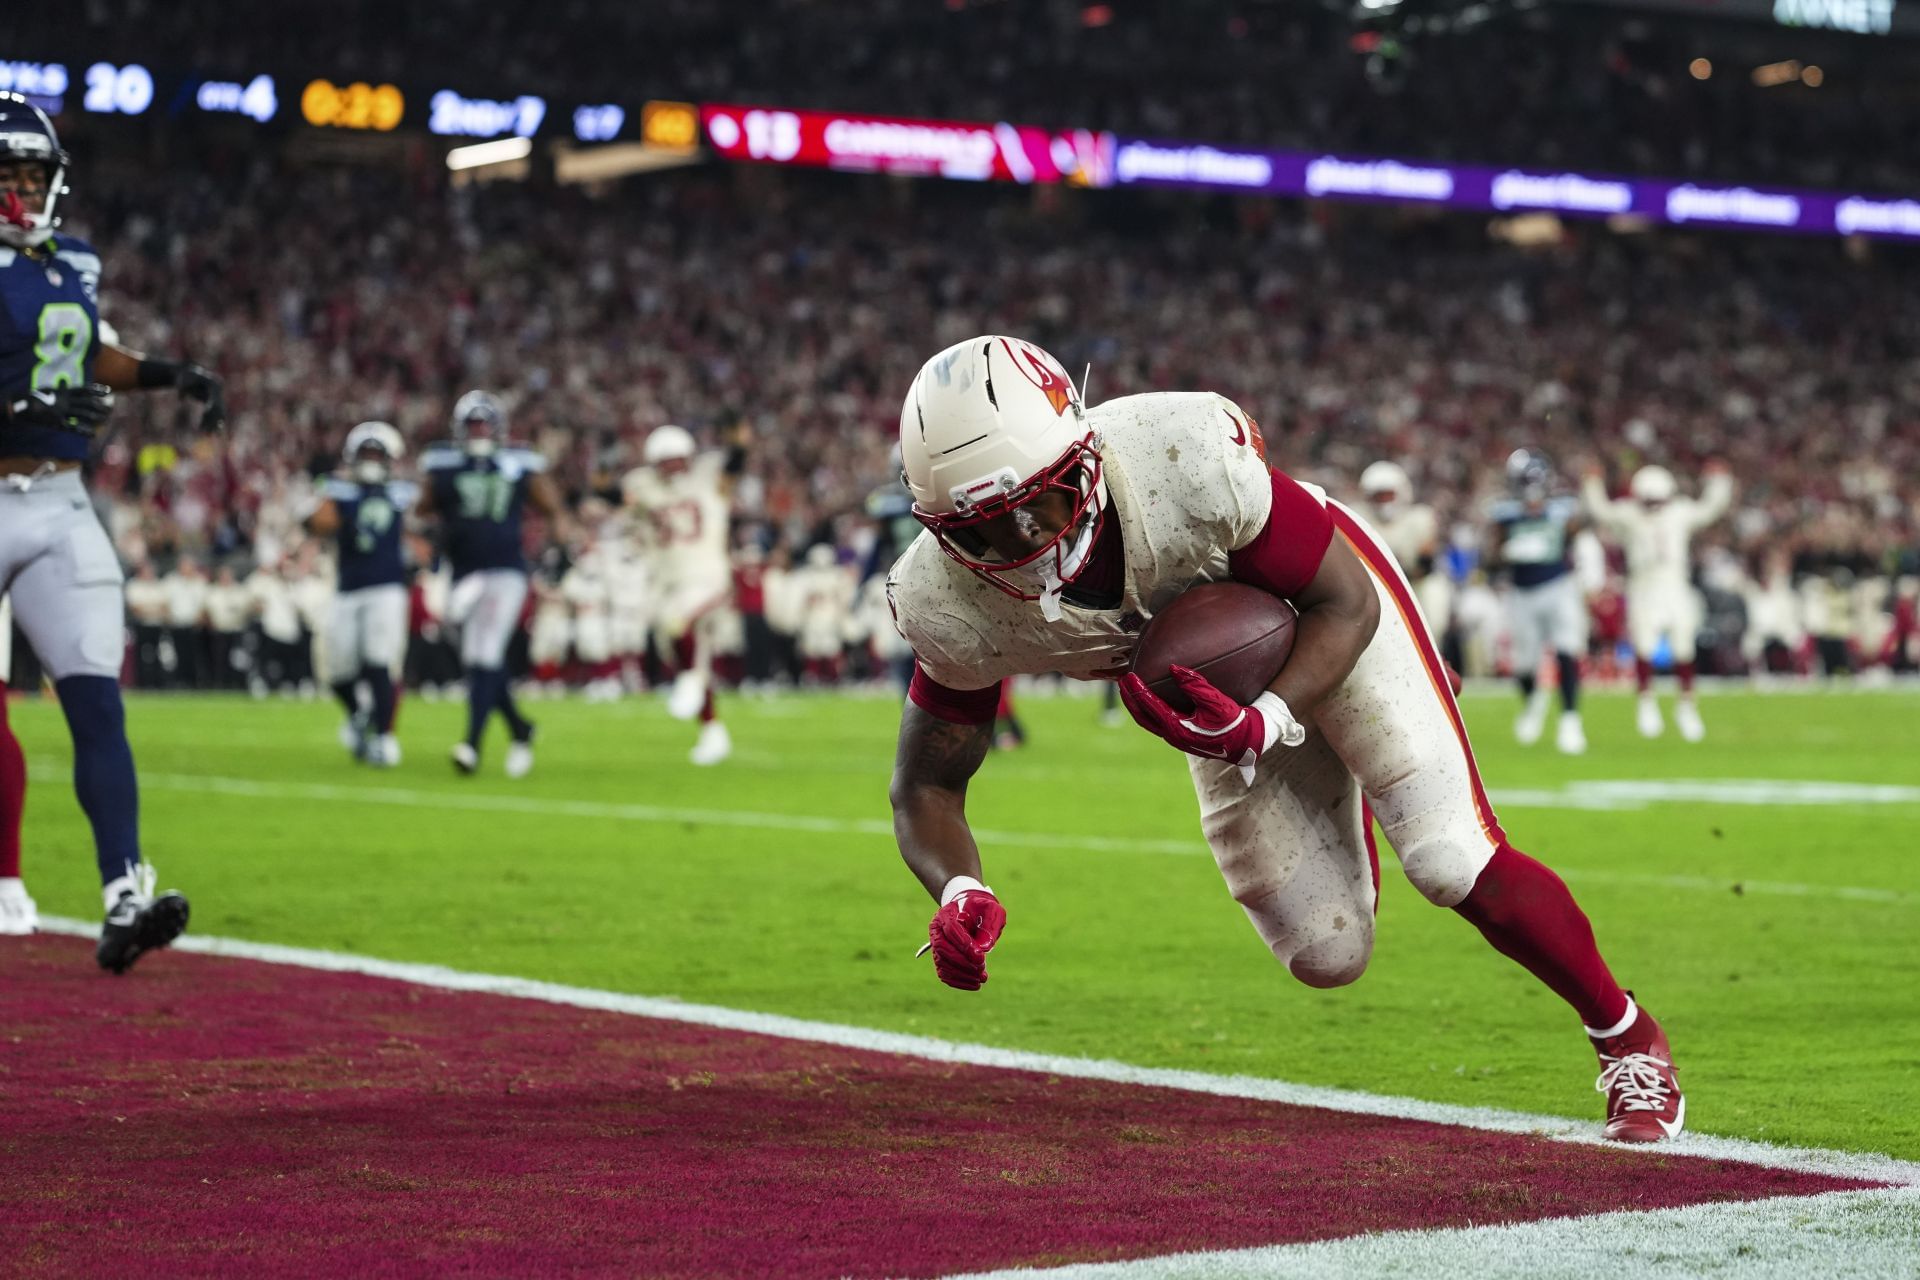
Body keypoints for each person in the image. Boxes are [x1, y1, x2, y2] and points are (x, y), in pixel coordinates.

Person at [884, 335, 1684, 1144]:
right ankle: (1342, 769)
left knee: (1447, 856)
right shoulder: (938, 600)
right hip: (1213, 688)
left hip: (1319, 614)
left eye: (1042, 506)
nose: (1027, 546)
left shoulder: (1178, 452)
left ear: (1084, 456)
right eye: (985, 534)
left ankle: (1626, 1037)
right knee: (1325, 954)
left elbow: (1345, 603)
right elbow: (926, 786)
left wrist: (1269, 718)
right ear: (940, 531)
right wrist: (960, 890)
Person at [0, 93, 224, 971]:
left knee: (98, 705)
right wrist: (21, 403)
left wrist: (173, 374)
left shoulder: (72, 262)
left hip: (60, 504)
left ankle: (123, 894)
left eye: (31, 175)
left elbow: (94, 356)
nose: (21, 189)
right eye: (7, 176)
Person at [417, 390, 563, 778]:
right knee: (480, 659)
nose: (479, 432)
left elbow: (552, 508)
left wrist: (559, 549)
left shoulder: (519, 464)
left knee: (483, 655)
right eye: (473, 426)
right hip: (464, 574)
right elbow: (420, 509)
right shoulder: (443, 466)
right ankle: (519, 728)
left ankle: (471, 745)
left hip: (505, 571)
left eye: (484, 425)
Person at [622, 422, 747, 766]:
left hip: (708, 576)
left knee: (681, 629)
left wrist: (737, 441)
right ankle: (712, 730)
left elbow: (733, 466)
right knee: (682, 645)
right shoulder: (644, 488)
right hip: (669, 582)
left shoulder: (708, 480)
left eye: (679, 460)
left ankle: (689, 680)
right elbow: (614, 500)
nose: (674, 467)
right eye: (666, 461)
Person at [1582, 461, 1733, 741]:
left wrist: (1719, 483)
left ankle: (1686, 706)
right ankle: (1646, 703)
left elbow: (1710, 509)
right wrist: (1592, 484)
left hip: (1674, 582)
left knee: (1683, 646)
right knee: (1644, 645)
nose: (1653, 507)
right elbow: (1601, 509)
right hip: (1644, 584)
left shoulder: (1680, 512)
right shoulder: (1629, 515)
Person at [306, 422, 417, 766]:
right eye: (365, 454)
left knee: (378, 660)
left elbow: (424, 519)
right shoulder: (340, 490)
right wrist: (335, 497)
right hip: (348, 588)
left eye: (376, 454)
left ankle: (384, 737)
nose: (370, 460)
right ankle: (359, 714)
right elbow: (317, 524)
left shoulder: (401, 491)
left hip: (386, 586)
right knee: (337, 672)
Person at [1488, 449, 1587, 755]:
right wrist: (1506, 550)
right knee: (1524, 664)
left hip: (1558, 586)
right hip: (1521, 592)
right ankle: (1534, 702)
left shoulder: (1562, 509)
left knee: (1567, 650)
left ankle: (1570, 720)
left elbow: (1574, 540)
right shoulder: (1504, 513)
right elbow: (1492, 555)